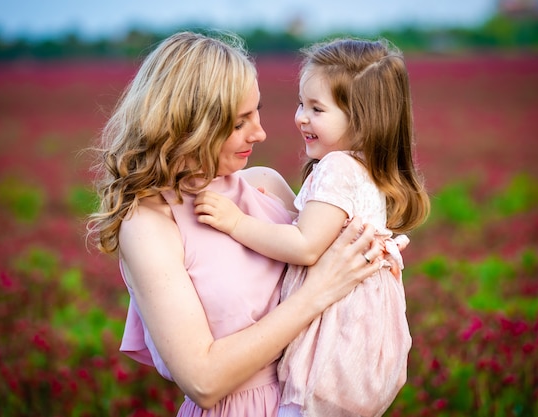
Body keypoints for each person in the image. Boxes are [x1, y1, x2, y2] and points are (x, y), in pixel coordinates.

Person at [87, 31, 392, 417]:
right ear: (188, 124)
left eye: (257, 112)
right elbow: (203, 380)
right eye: (238, 123)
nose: (260, 133)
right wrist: (317, 292)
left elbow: (341, 280)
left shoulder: (265, 186)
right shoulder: (148, 224)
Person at [194, 37, 430, 417]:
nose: (301, 117)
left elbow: (305, 245)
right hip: (360, 348)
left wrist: (236, 222)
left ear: (363, 119)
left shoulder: (337, 168)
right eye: (302, 104)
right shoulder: (364, 170)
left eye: (317, 108)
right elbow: (313, 229)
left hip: (332, 349)